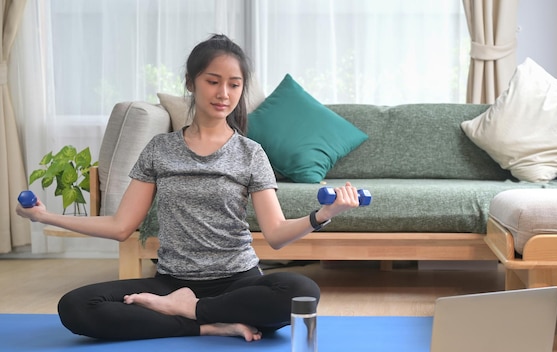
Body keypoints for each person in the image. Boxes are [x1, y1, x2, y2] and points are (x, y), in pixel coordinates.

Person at [16, 34, 361, 342]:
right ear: (191, 82)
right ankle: (208, 323)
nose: (224, 93)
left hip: (237, 281)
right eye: (213, 81)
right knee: (76, 306)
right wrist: (47, 217)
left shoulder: (250, 153)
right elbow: (121, 226)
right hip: (171, 282)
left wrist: (324, 214)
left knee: (301, 290)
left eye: (234, 84)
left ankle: (192, 311)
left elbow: (277, 234)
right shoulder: (159, 149)